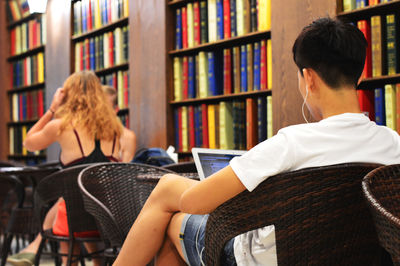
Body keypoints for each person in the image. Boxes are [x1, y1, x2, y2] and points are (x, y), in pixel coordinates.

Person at [113, 17, 400, 266]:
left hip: (270, 259)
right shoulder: (392, 143)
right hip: (361, 257)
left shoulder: (293, 142)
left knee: (169, 200)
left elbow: (194, 202)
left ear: (309, 79)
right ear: (359, 76)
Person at [7, 71, 136, 266]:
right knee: (78, 206)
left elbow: (29, 143)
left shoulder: (61, 126)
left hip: (74, 219)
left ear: (68, 96)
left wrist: (52, 109)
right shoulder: (116, 129)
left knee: (68, 207)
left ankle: (67, 261)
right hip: (107, 217)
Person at [102, 85, 137, 159]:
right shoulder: (88, 135)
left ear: (116, 110)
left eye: (105, 109)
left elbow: (125, 169)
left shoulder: (128, 137)